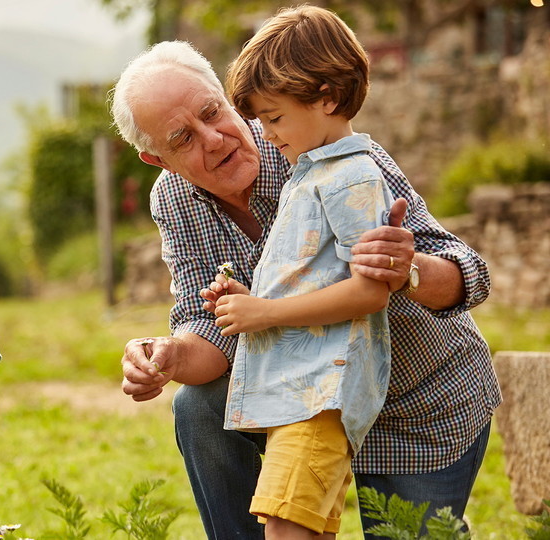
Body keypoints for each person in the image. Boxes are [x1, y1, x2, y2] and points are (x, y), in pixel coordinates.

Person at [111, 39, 500, 539]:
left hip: (414, 400)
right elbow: (212, 329)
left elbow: (469, 273)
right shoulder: (174, 199)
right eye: (183, 138)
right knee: (198, 405)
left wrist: (408, 269)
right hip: (303, 400)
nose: (213, 138)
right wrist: (166, 355)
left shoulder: (329, 152)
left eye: (213, 112)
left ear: (227, 97)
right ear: (156, 159)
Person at [209, 6, 395, 538]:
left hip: (321, 393)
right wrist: (247, 299)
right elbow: (316, 277)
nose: (265, 136)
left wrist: (265, 312)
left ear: (328, 98)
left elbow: (370, 292)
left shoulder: (350, 177)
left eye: (275, 117)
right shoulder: (312, 171)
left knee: (289, 531)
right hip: (299, 393)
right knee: (290, 527)